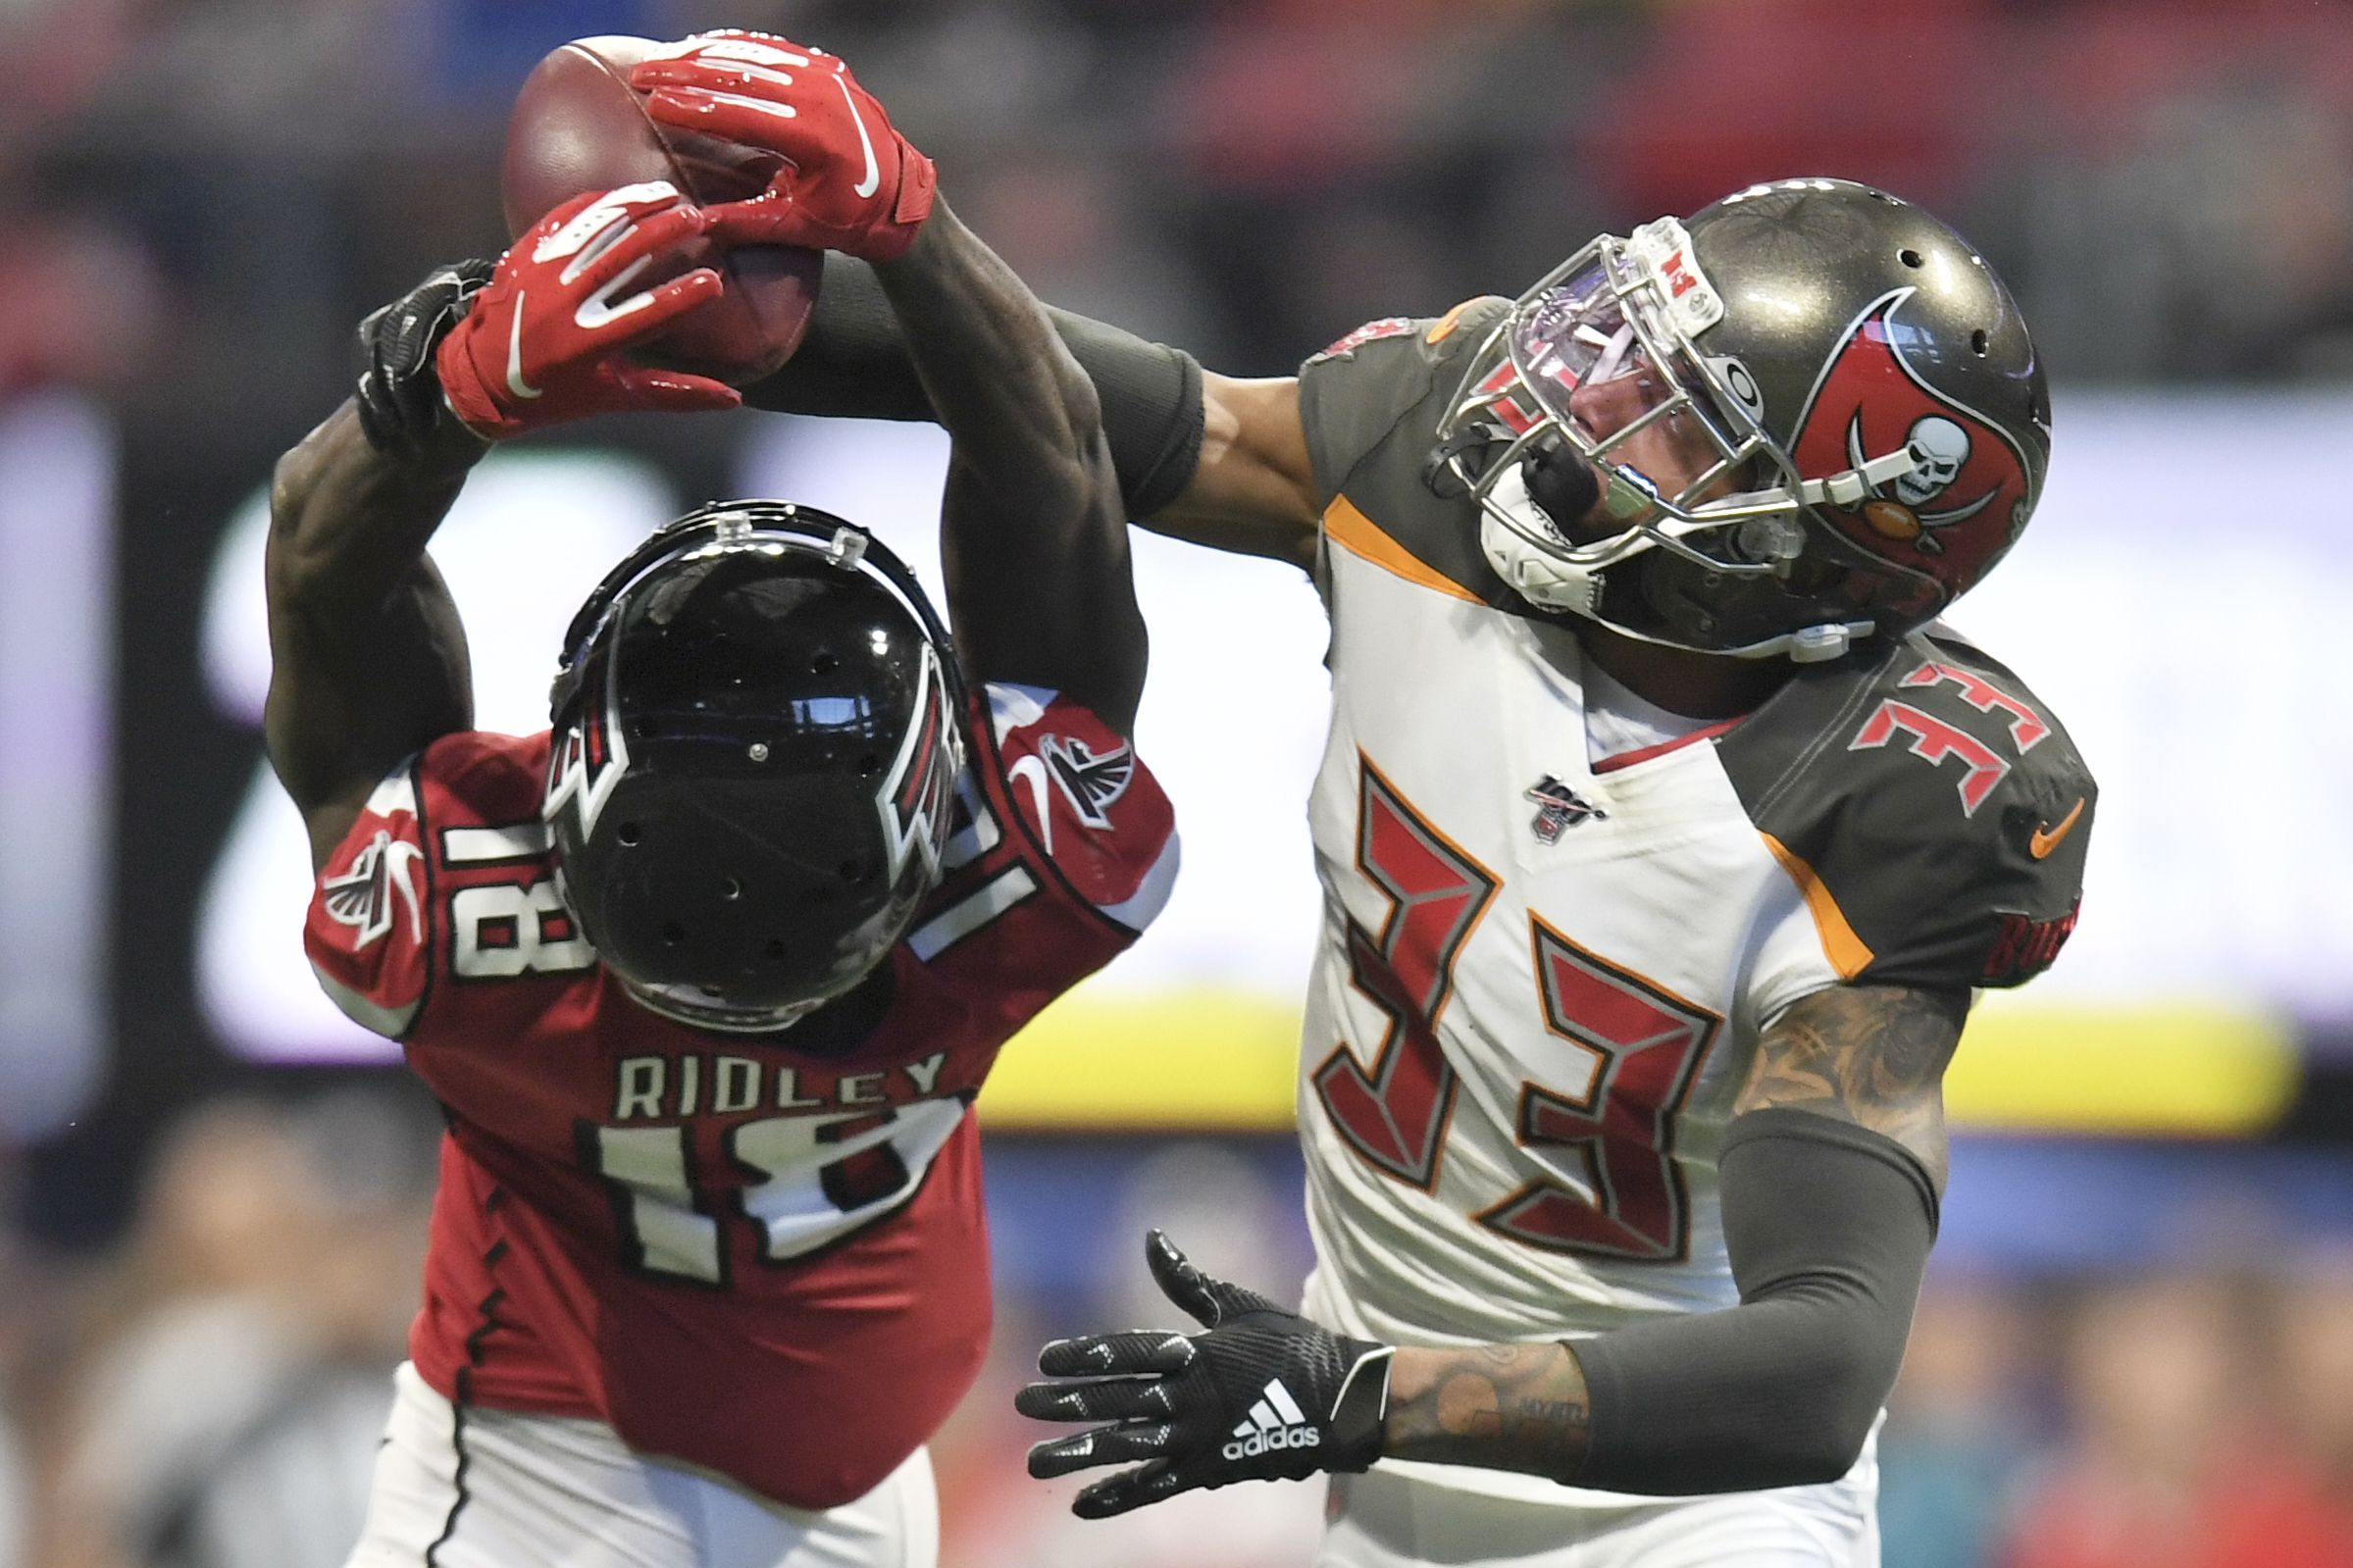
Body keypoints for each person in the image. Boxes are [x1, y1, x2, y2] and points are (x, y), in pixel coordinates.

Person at [681, 65, 2094, 1562]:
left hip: (1695, 1524)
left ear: (1815, 552)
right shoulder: (1428, 494)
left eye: (1682, 421)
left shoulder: (1879, 799)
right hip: (1382, 1505)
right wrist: (813, 271)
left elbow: (1818, 1365)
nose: (1586, 397)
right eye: (1622, 345)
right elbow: (1126, 415)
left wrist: (1357, 1392)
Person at [270, 36, 1175, 1568]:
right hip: (688, 1487)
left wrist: (452, 389)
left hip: (540, 1478)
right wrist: (913, 225)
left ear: (572, 789)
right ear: (924, 823)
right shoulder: (1019, 886)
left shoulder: (462, 930)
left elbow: (317, 555)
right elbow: (1059, 461)